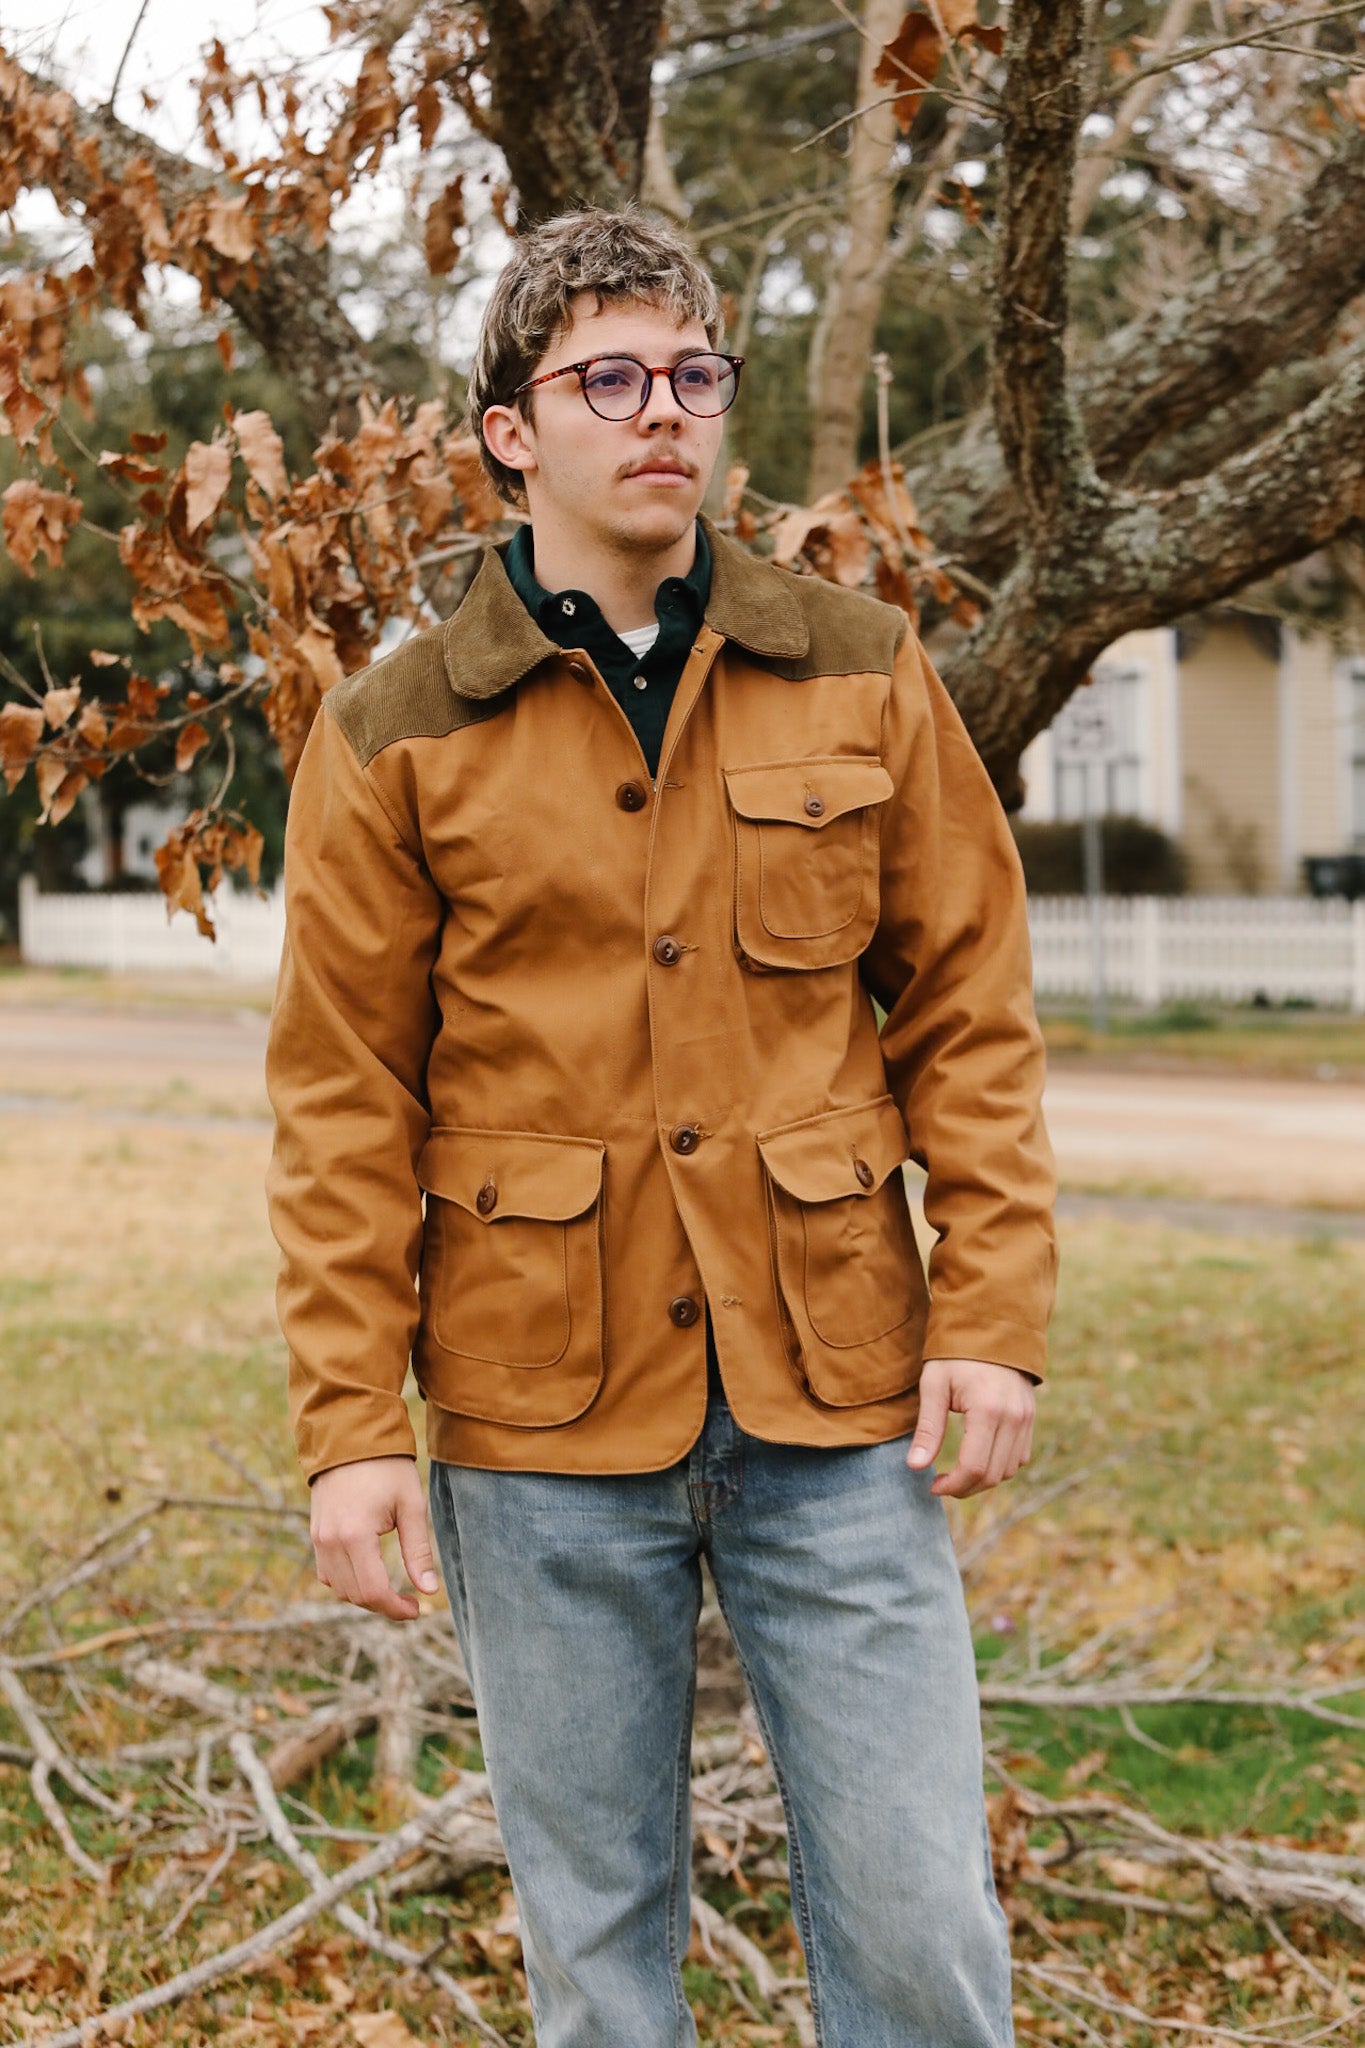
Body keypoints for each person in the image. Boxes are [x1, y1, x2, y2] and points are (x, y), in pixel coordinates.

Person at [266, 205, 1059, 2048]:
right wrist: (343, 1434)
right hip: (539, 1417)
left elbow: (968, 1013)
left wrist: (993, 1314)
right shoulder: (396, 730)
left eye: (692, 375)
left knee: (922, 1922)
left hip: (839, 1397)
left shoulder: (858, 663)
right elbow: (339, 1103)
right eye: (605, 377)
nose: (660, 413)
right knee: (601, 1954)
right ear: (506, 431)